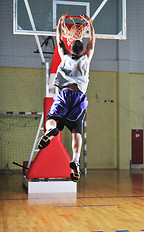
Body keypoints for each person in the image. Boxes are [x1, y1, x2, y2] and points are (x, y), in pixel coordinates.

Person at [38, 13, 95, 182]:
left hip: (65, 94)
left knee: (52, 118)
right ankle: (75, 161)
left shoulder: (64, 57)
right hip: (79, 98)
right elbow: (93, 41)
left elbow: (59, 41)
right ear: (82, 49)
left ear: (71, 49)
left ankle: (50, 130)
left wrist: (60, 23)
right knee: (77, 130)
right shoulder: (86, 59)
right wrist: (89, 24)